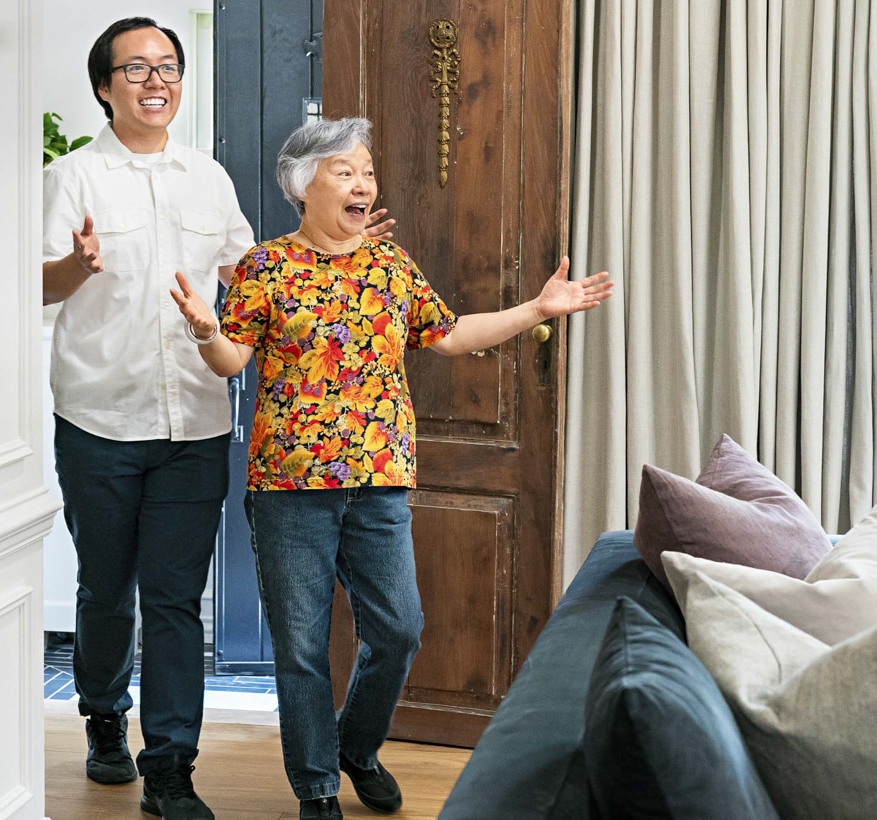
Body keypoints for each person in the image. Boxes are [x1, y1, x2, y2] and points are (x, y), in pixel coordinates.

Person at [169, 116, 613, 820]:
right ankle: (317, 788)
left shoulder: (391, 265)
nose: (363, 183)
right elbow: (234, 361)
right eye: (345, 171)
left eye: (367, 171)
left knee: (399, 627)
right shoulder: (266, 267)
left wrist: (536, 308)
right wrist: (205, 334)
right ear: (301, 185)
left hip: (379, 477)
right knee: (302, 646)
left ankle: (356, 745)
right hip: (290, 485)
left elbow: (451, 335)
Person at [43, 18, 392, 820]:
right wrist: (73, 265)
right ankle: (104, 714)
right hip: (97, 419)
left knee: (173, 598)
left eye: (166, 66)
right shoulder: (71, 178)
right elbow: (34, 284)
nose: (153, 80)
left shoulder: (209, 179)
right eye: (135, 68)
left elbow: (254, 273)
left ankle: (170, 770)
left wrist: (337, 244)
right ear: (104, 86)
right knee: (107, 590)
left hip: (195, 424)